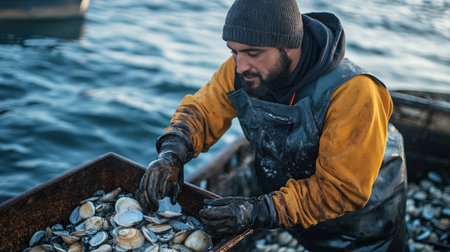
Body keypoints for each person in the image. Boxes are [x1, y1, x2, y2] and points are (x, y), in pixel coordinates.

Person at [136, 0, 408, 251]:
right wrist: (173, 151)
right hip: (287, 203)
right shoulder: (242, 70)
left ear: (290, 46)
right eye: (234, 52)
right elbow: (204, 109)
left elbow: (341, 189)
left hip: (360, 225)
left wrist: (258, 212)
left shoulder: (354, 92)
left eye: (253, 53)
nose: (241, 66)